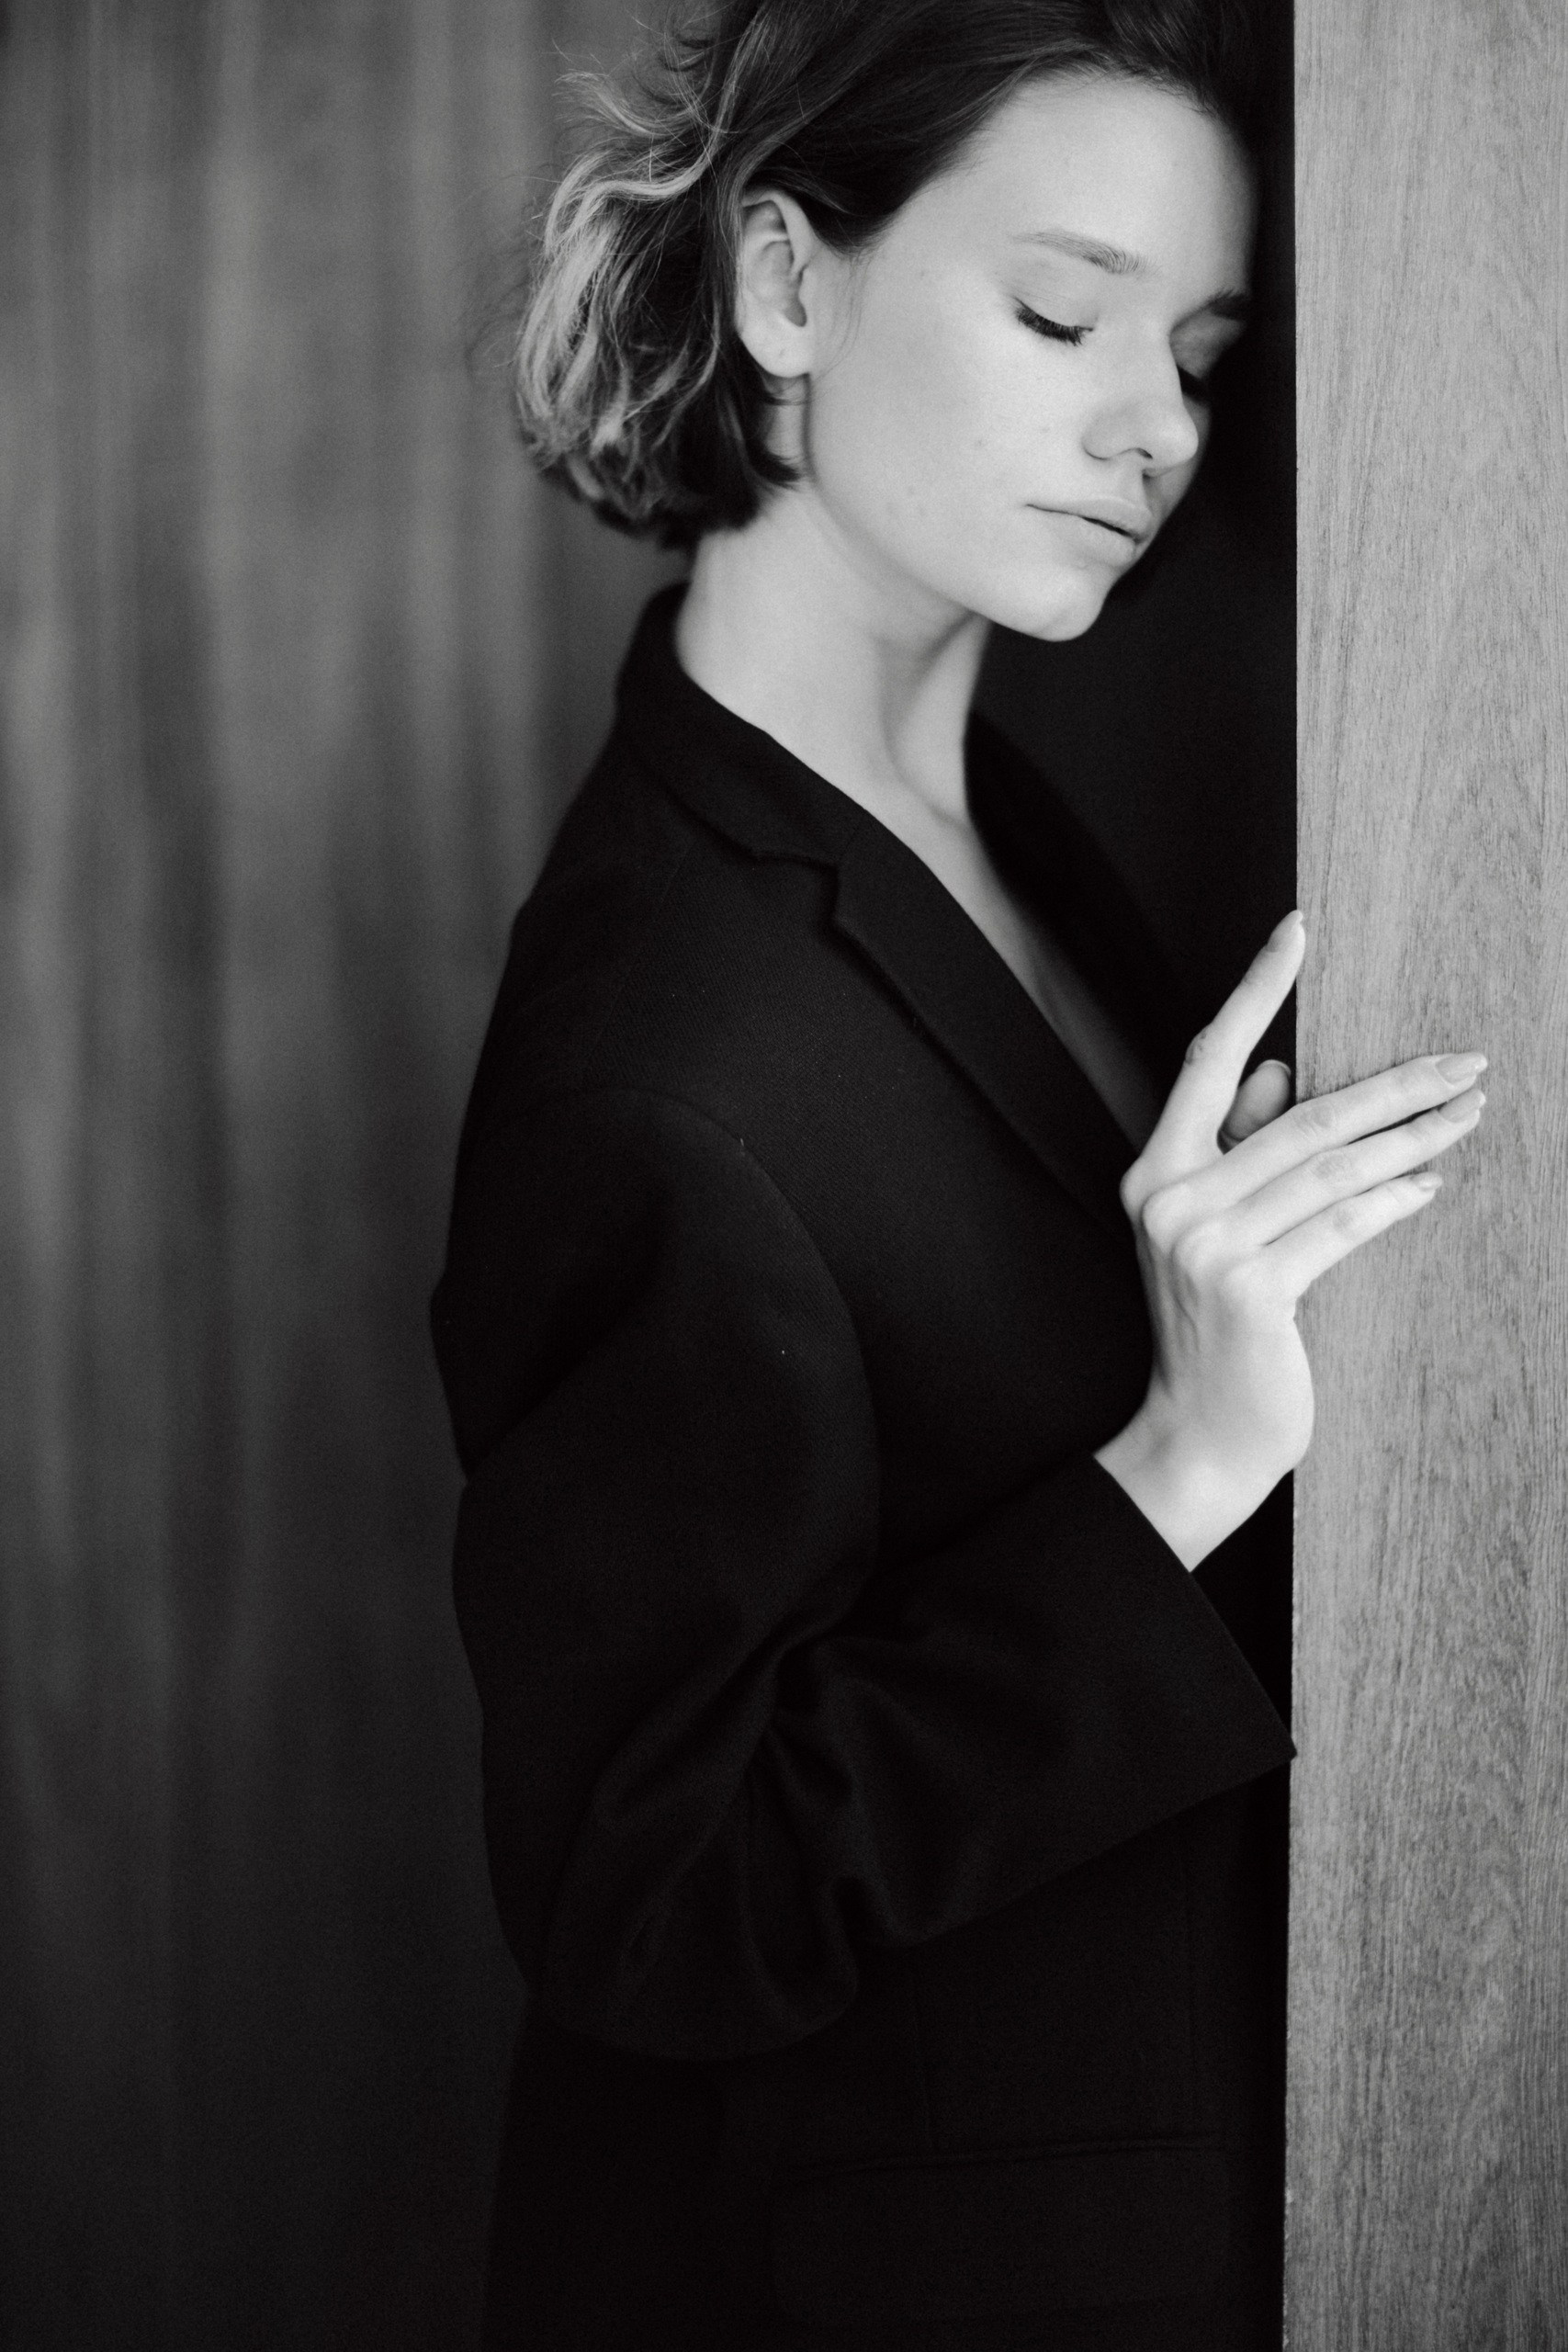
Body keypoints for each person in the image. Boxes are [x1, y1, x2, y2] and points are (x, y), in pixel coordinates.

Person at [430, 4, 1487, 2346]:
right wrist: (1173, 1461)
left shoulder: (988, 813)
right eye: (1058, 313)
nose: (1157, 428)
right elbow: (654, 1901)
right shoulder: (659, 1049)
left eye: (1196, 354)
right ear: (785, 285)